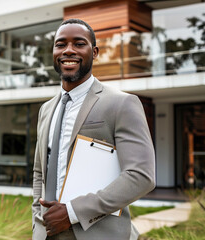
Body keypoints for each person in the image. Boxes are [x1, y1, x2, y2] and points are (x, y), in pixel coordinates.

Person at [32, 18, 155, 240]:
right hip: (47, 233)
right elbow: (39, 172)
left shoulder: (121, 104)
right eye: (60, 44)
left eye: (79, 44)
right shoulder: (46, 109)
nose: (68, 50)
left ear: (95, 52)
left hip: (99, 233)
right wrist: (37, 223)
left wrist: (71, 213)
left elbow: (140, 176)